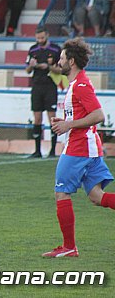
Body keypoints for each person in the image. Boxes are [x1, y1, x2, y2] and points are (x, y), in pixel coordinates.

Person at [42, 38, 113, 258]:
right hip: (89, 147)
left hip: (78, 148)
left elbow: (98, 116)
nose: (59, 61)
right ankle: (69, 247)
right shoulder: (76, 84)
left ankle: (69, 247)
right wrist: (63, 120)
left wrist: (68, 124)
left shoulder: (80, 85)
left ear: (71, 61)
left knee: (61, 193)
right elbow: (83, 114)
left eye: (62, 58)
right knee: (97, 197)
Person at [26, 28, 61, 159]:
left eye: (42, 38)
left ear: (47, 35)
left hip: (50, 86)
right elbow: (27, 70)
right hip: (36, 86)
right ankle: (37, 151)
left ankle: (52, 150)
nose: (40, 40)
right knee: (37, 118)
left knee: (52, 117)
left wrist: (48, 67)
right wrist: (32, 65)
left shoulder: (56, 50)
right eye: (38, 38)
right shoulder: (33, 49)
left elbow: (61, 69)